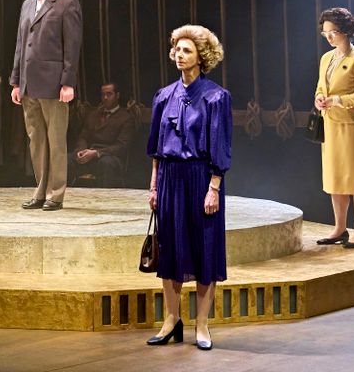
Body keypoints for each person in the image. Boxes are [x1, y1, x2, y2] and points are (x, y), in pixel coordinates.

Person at [146, 25, 232, 351]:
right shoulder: (163, 95)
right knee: (170, 249)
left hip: (201, 179)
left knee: (203, 249)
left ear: (201, 57)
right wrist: (154, 187)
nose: (180, 55)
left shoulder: (216, 97)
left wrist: (214, 188)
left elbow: (220, 146)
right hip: (169, 178)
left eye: (187, 51)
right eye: (177, 50)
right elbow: (156, 148)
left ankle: (203, 325)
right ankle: (171, 321)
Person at [10, 0, 83, 211]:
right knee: (37, 142)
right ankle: (40, 191)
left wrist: (68, 83)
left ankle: (56, 194)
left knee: (56, 141)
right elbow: (21, 45)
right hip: (29, 84)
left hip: (53, 84)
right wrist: (16, 81)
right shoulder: (27, 5)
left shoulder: (66, 3)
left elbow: (72, 46)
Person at [313, 7, 354, 249]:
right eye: (325, 33)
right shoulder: (326, 58)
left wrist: (338, 100)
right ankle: (340, 227)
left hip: (350, 125)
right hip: (330, 123)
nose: (329, 37)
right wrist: (319, 98)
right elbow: (321, 86)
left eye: (333, 32)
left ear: (346, 31)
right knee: (335, 177)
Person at [68, 82, 135, 187]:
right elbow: (83, 137)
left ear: (117, 95)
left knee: (106, 163)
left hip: (110, 157)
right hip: (88, 155)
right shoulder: (93, 115)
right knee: (67, 160)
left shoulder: (125, 118)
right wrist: (81, 150)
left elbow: (121, 146)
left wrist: (97, 153)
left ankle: (106, 196)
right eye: (103, 94)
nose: (105, 98)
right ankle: (63, 194)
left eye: (109, 94)